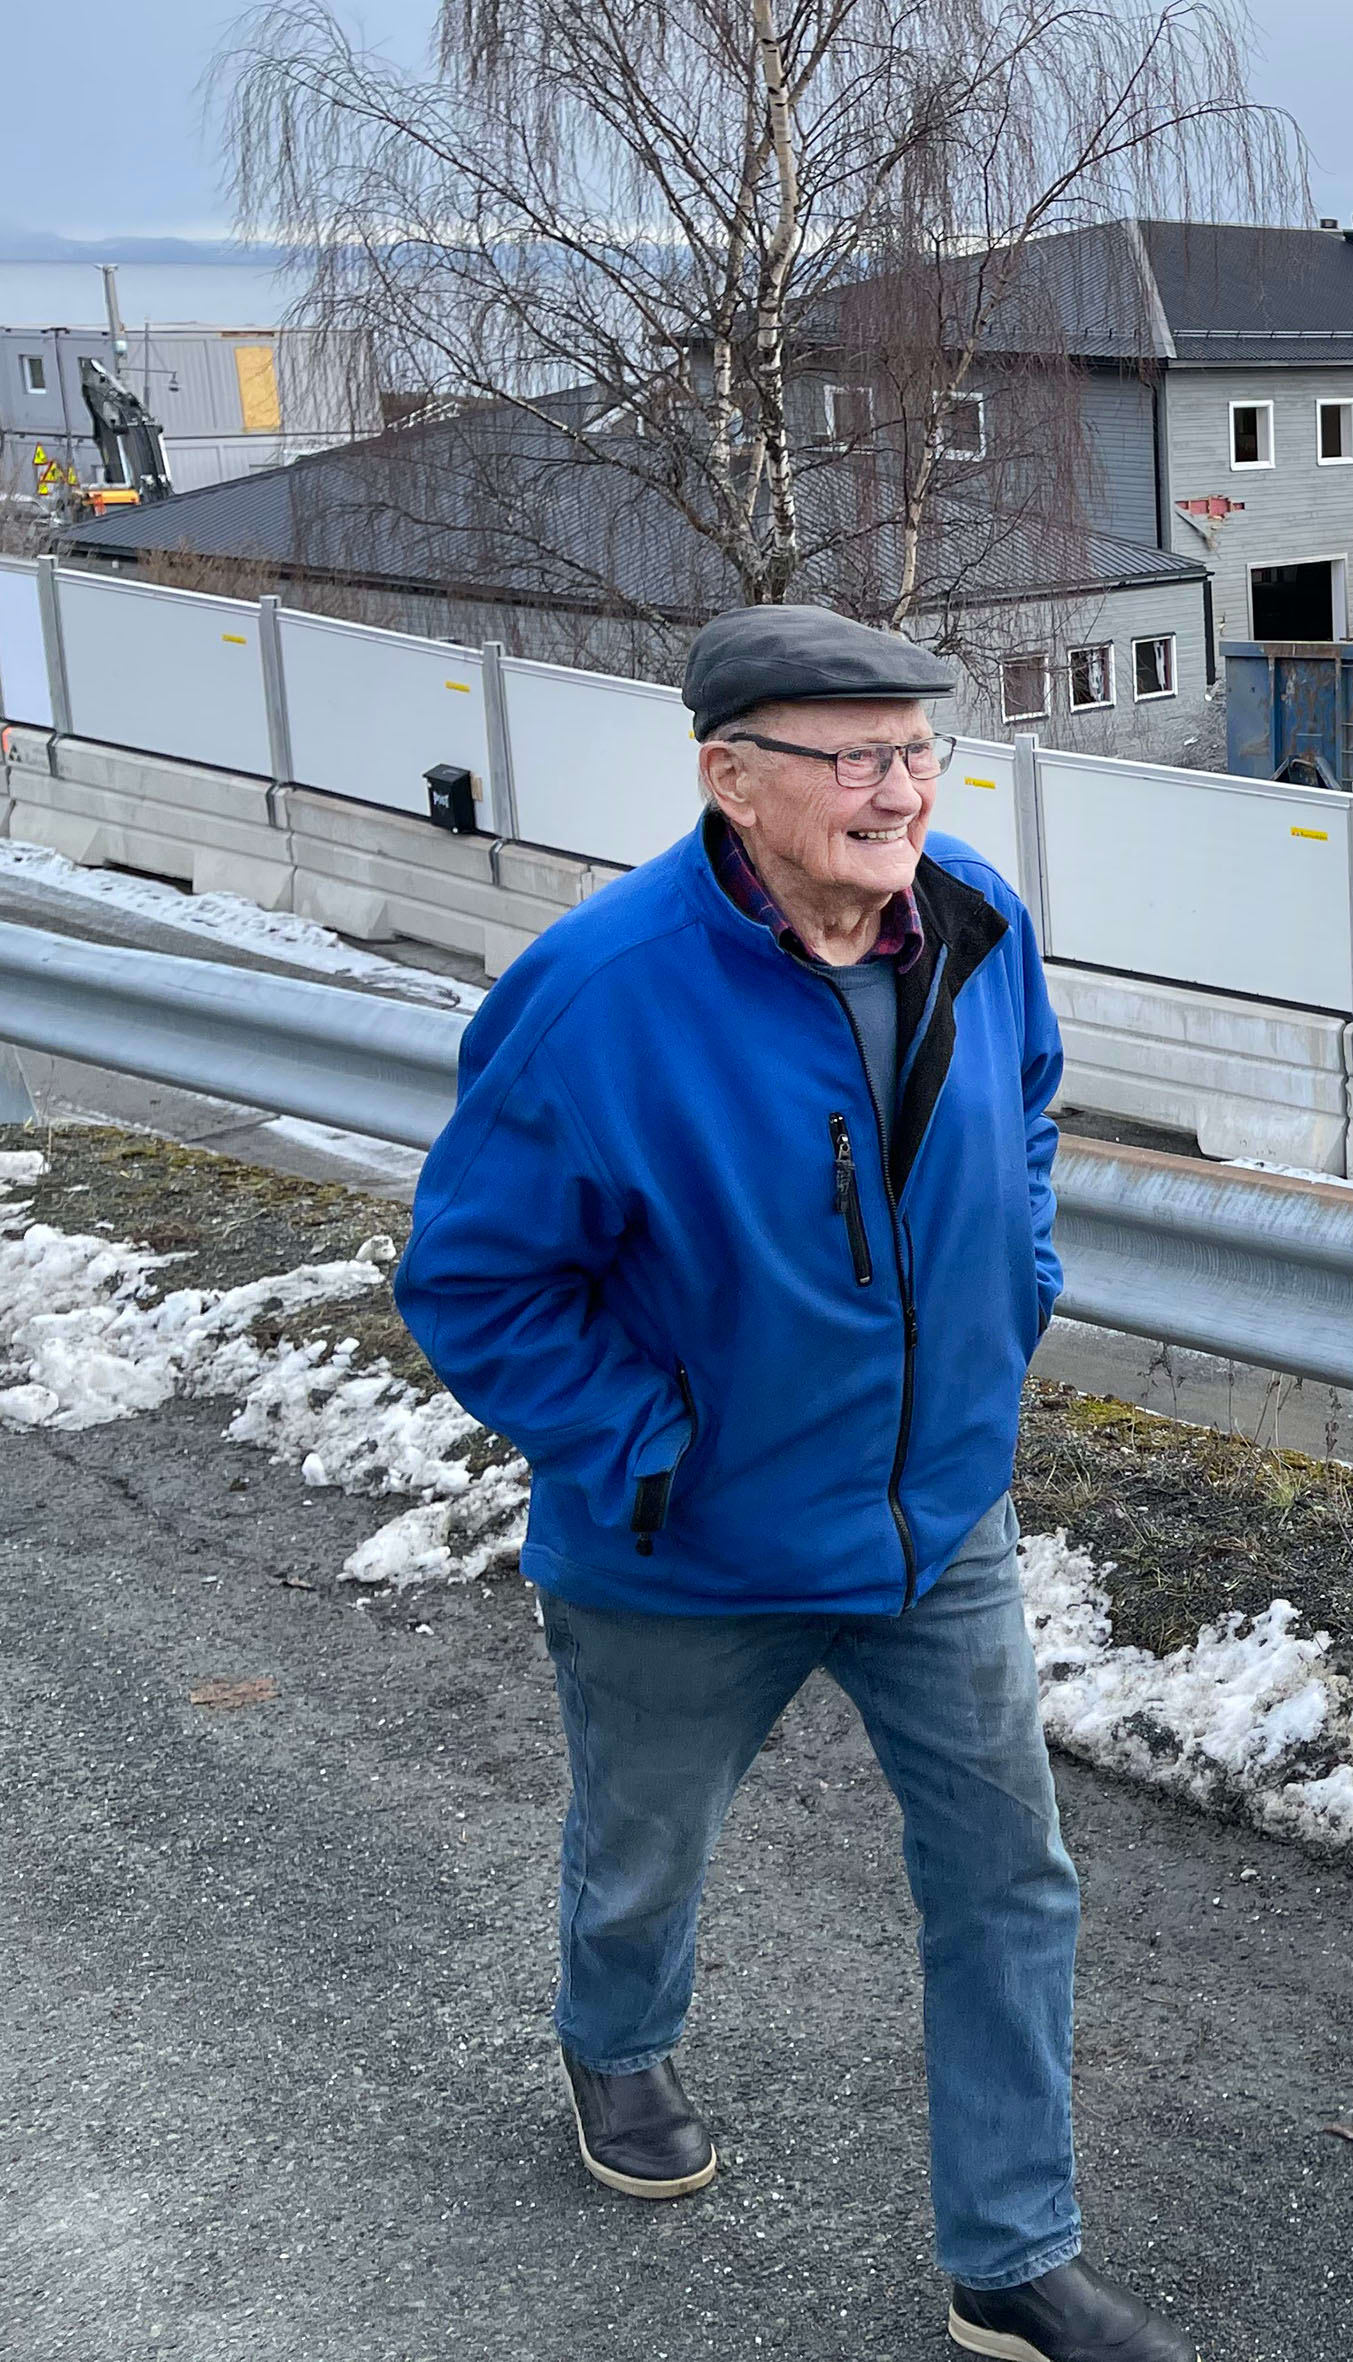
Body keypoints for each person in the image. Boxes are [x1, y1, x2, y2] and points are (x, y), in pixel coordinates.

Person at [396, 604, 1191, 2362]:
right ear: (730, 778)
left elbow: (1030, 1108)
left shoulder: (974, 918)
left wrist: (1011, 1295)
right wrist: (649, 1449)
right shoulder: (601, 994)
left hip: (933, 1520)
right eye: (851, 757)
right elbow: (470, 1278)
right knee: (644, 1847)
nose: (897, 789)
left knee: (1010, 1876)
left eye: (915, 750)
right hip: (688, 1546)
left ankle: (1012, 2251)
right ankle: (616, 2038)